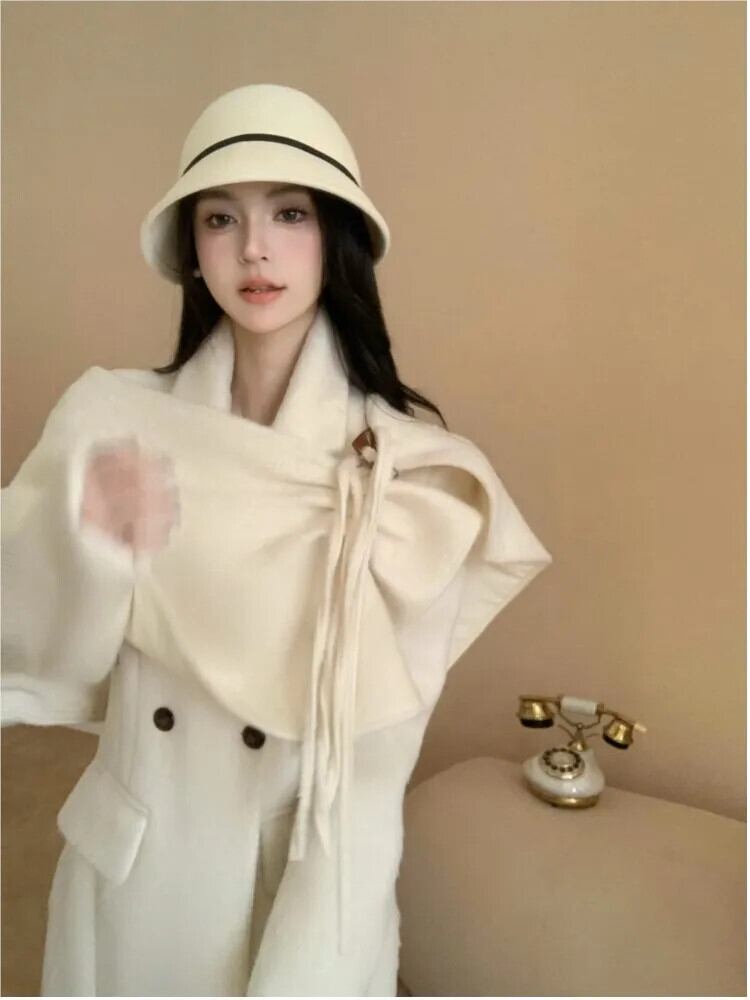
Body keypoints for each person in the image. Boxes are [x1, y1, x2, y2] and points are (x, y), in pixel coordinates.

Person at [1, 83, 553, 997]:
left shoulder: (410, 481)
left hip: (280, 899)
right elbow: (36, 651)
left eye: (289, 213)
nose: (253, 248)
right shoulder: (112, 419)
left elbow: (367, 780)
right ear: (192, 249)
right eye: (221, 218)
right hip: (125, 888)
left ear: (336, 237)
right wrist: (91, 551)